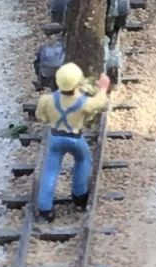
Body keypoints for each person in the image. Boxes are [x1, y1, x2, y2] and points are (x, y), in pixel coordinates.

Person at [34, 62, 111, 217]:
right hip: (75, 138)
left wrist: (51, 118)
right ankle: (79, 195)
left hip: (55, 138)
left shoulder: (47, 100)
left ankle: (44, 207)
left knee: (50, 170)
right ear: (77, 83)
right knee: (83, 160)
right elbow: (100, 103)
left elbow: (40, 116)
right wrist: (103, 88)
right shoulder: (83, 103)